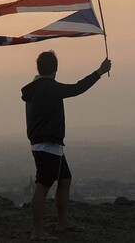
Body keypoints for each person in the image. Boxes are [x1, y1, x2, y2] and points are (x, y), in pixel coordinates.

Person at [21, 51, 111, 241]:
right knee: (42, 186)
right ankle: (37, 231)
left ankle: (63, 223)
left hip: (48, 143)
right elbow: (77, 89)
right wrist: (100, 72)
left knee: (65, 179)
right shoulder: (48, 87)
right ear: (56, 68)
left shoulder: (35, 87)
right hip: (47, 144)